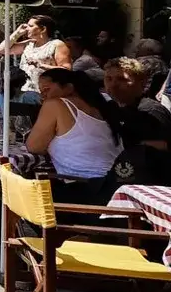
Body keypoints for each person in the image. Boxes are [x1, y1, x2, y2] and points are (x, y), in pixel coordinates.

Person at [27, 67, 122, 204]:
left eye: (47, 89)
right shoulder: (98, 108)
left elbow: (34, 147)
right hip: (114, 186)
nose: (43, 96)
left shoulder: (56, 104)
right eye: (41, 92)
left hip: (86, 189)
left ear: (69, 88)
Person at [103, 57, 171, 186]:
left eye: (122, 79)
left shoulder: (151, 111)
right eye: (109, 79)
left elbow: (164, 146)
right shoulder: (113, 108)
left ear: (142, 82)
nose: (113, 85)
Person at [0, 14, 66, 99]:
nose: (27, 29)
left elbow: (66, 70)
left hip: (45, 94)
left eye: (30, 26)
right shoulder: (29, 43)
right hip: (24, 92)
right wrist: (17, 33)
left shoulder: (57, 44)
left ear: (43, 29)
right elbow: (1, 50)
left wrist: (41, 65)